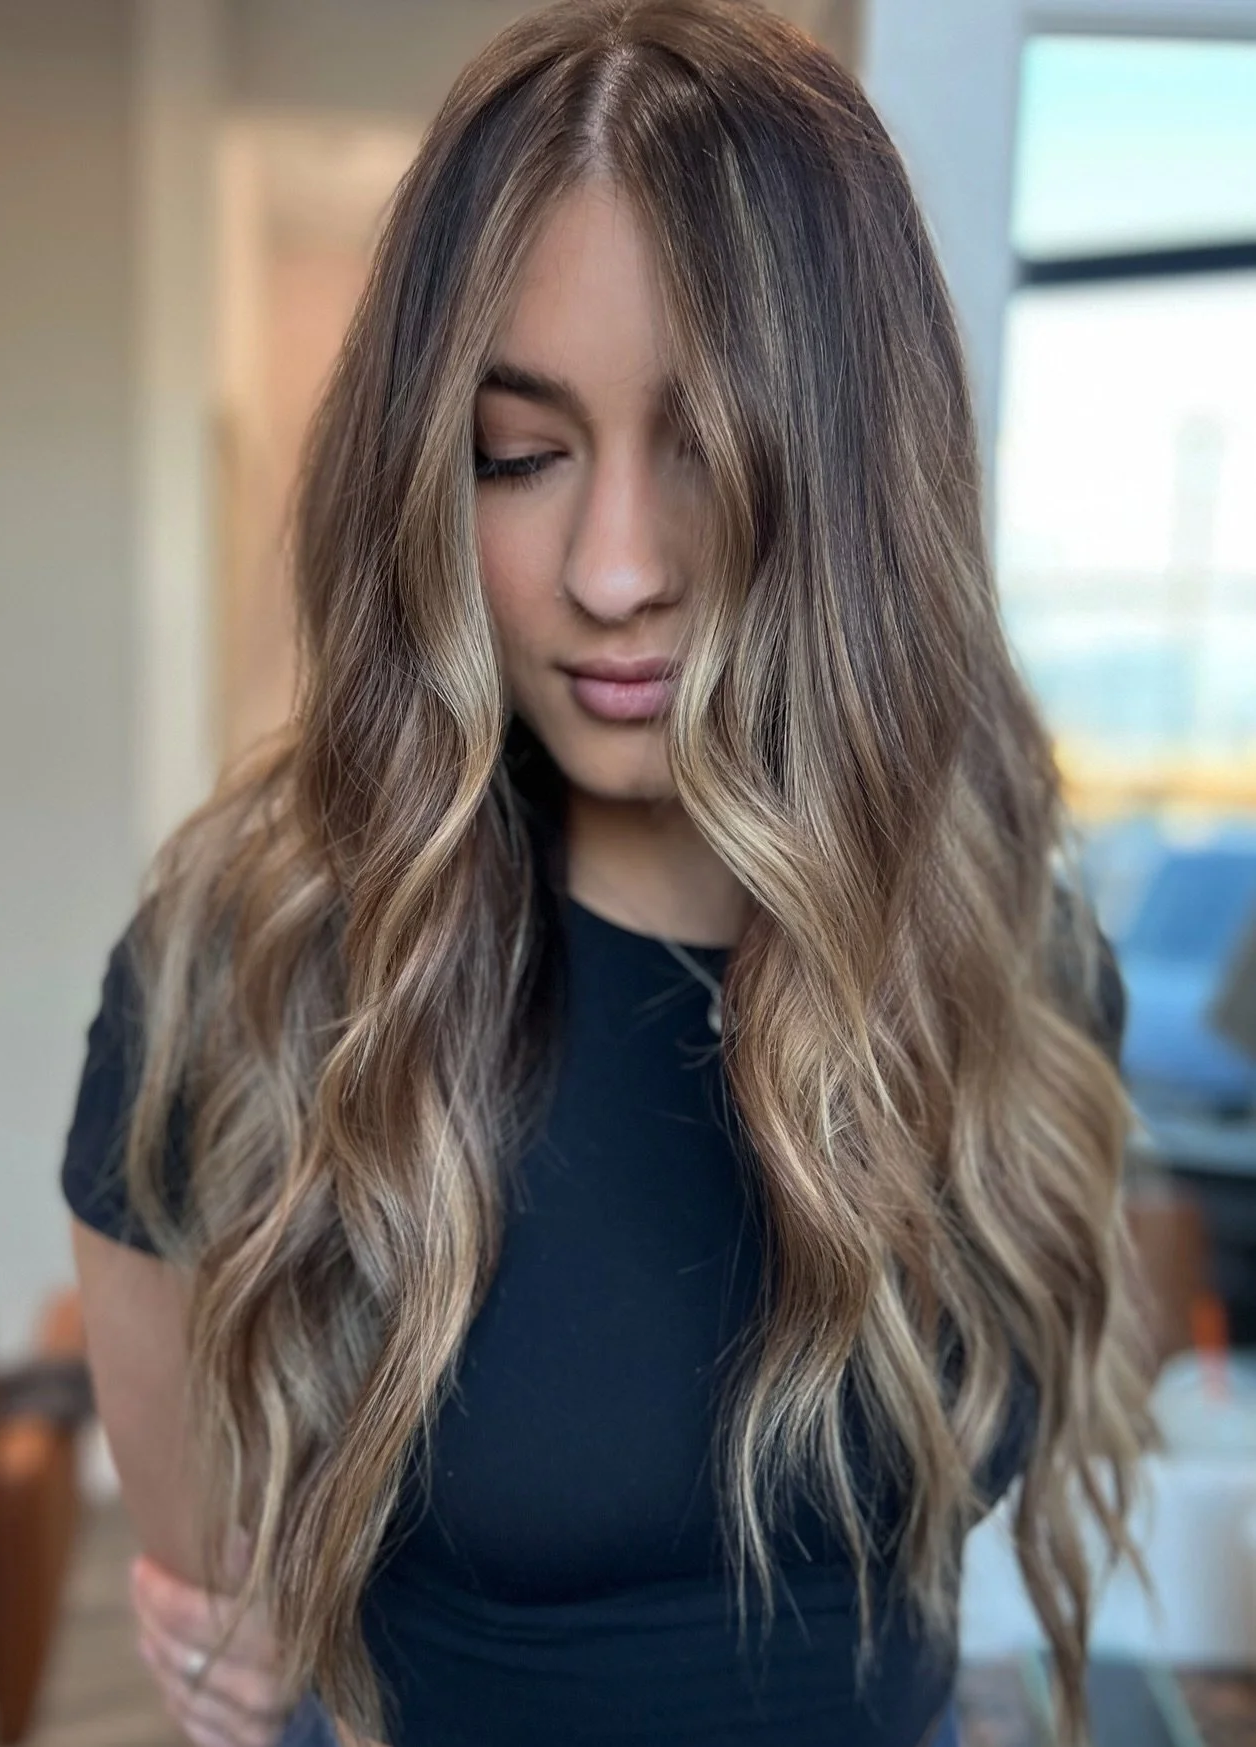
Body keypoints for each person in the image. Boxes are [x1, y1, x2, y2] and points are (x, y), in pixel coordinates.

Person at [59, 2, 1154, 1743]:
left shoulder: (1009, 960)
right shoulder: (249, 975)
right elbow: (224, 1624)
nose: (617, 567)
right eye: (520, 453)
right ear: (427, 473)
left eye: (709, 443)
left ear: (857, 477)